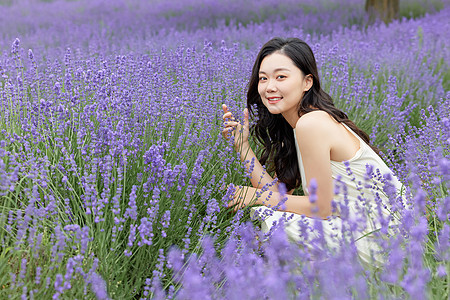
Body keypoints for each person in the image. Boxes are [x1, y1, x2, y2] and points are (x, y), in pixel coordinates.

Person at [221, 37, 404, 264]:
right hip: (379, 230)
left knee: (270, 226)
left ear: (307, 82)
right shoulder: (302, 124)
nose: (269, 87)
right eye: (263, 78)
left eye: (281, 77)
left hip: (383, 236)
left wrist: (257, 197)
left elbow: (321, 207)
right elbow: (280, 195)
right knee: (272, 219)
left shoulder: (312, 123)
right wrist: (243, 146)